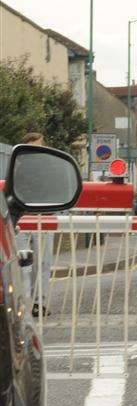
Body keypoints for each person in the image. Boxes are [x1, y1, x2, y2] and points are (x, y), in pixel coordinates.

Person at [15, 132, 54, 317]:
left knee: (43, 264)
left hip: (44, 220)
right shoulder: (17, 168)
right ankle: (25, 303)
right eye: (33, 147)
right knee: (23, 265)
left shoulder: (49, 168)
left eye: (40, 146)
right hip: (23, 221)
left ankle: (40, 303)